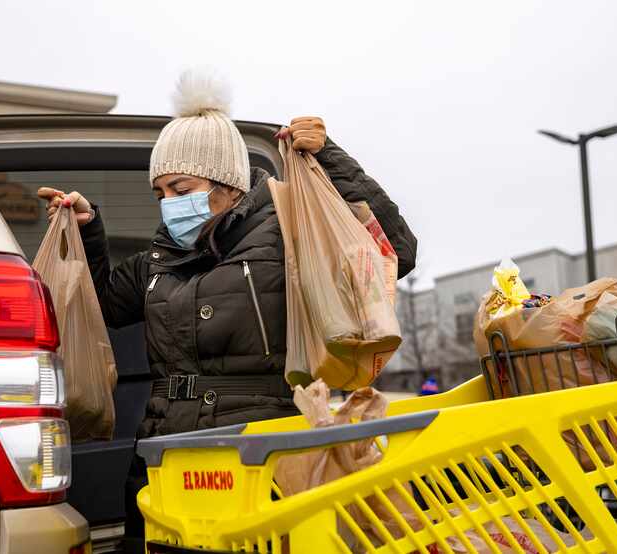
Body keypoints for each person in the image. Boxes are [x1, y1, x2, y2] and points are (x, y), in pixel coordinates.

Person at [38, 70, 417, 551]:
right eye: (160, 194)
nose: (169, 205)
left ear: (228, 183)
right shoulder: (155, 259)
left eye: (181, 188)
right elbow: (101, 309)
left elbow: (393, 251)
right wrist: (88, 232)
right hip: (165, 455)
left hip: (261, 452)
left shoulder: (288, 232)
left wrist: (332, 162)